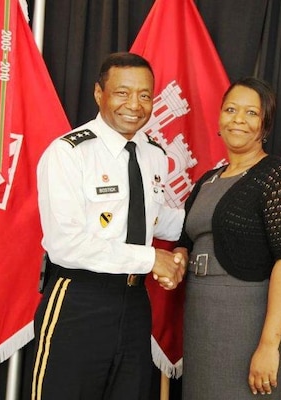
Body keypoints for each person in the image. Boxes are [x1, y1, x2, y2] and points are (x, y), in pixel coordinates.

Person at [31, 52, 186, 400]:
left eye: (145, 95)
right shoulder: (69, 153)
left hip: (134, 303)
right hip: (80, 300)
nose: (135, 104)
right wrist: (151, 260)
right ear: (99, 94)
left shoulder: (153, 153)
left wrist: (196, 233)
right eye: (122, 93)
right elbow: (66, 244)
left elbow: (156, 218)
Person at [175, 77, 281, 399]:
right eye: (231, 109)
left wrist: (268, 346)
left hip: (250, 322)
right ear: (220, 118)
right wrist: (179, 257)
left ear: (265, 126)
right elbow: (187, 238)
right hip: (203, 322)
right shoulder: (208, 180)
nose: (238, 118)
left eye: (251, 113)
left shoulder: (278, 177)